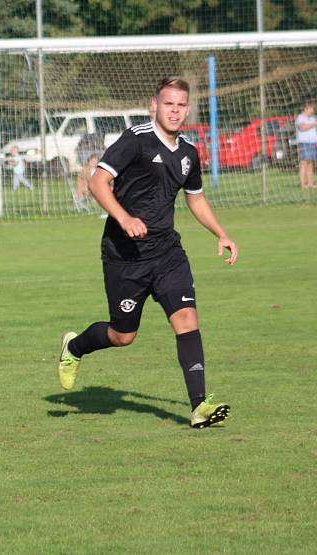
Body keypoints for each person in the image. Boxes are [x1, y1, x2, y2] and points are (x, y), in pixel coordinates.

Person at [57, 77, 238, 429]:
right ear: (154, 105)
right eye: (168, 103)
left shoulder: (188, 152)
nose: (174, 111)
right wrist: (124, 218)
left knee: (187, 319)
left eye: (181, 105)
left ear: (187, 109)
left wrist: (221, 233)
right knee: (123, 336)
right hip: (124, 254)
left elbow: (195, 197)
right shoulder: (135, 140)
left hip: (167, 252)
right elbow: (97, 181)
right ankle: (75, 347)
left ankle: (199, 406)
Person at [295, 100, 317, 189]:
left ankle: (310, 183)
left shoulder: (312, 118)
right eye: (311, 109)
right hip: (304, 143)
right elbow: (303, 127)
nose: (313, 111)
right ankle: (303, 184)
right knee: (304, 163)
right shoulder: (300, 117)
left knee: (310, 164)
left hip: (312, 143)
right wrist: (314, 124)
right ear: (306, 109)